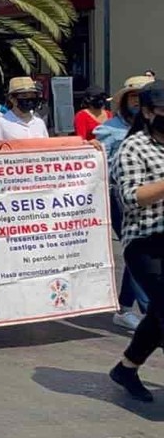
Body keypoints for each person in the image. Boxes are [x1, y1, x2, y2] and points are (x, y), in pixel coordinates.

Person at [109, 80, 164, 401]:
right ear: (146, 112)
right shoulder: (133, 147)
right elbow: (131, 197)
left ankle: (126, 368)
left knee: (159, 312)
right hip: (147, 244)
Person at [95, 75, 154, 331]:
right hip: (122, 198)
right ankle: (151, 310)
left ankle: (125, 307)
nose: (137, 103)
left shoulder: (154, 127)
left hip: (153, 198)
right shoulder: (109, 129)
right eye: (133, 97)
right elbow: (99, 165)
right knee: (138, 249)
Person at [0, 77, 49, 144]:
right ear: (12, 99)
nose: (29, 100)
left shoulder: (39, 123)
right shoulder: (0, 124)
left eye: (32, 96)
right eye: (24, 96)